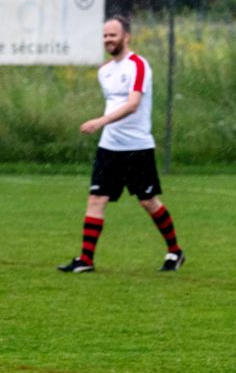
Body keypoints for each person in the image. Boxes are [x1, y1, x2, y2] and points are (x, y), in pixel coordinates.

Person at [57, 15, 184, 273]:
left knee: (148, 202)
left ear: (126, 36)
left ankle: (175, 251)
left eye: (112, 35)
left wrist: (101, 121)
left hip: (137, 147)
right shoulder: (104, 71)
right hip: (109, 148)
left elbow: (133, 103)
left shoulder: (138, 65)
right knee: (96, 198)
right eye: (105, 36)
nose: (108, 40)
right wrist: (105, 126)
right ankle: (86, 259)